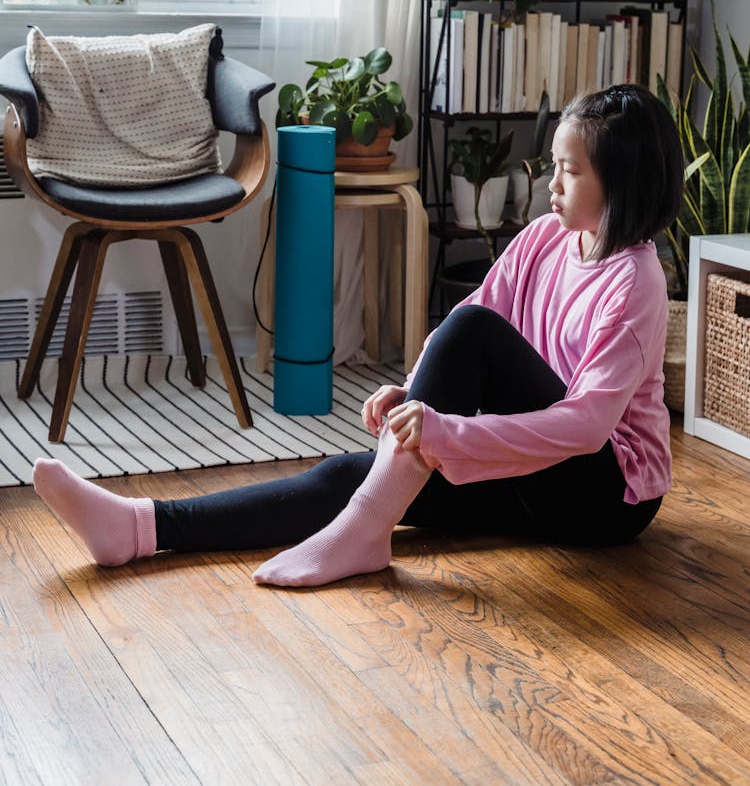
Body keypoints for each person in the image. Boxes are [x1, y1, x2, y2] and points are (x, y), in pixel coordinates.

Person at [32, 83, 684, 589]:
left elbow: (585, 426)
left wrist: (451, 431)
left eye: (569, 171)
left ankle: (366, 530)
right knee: (358, 472)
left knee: (471, 342)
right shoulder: (546, 236)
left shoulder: (637, 282)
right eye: (554, 165)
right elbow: (470, 322)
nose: (551, 182)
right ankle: (141, 527)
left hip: (602, 494)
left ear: (620, 183)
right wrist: (413, 393)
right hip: (531, 463)